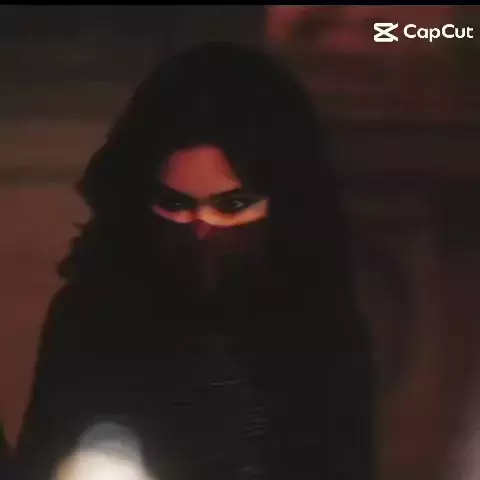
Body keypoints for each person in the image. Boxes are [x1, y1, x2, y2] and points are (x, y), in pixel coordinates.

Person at [13, 42, 375, 480]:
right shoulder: (89, 320)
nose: (203, 229)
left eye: (232, 205)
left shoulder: (321, 331)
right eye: (176, 204)